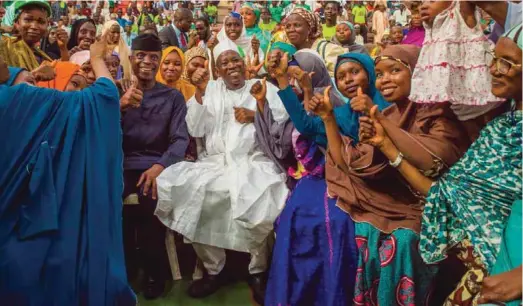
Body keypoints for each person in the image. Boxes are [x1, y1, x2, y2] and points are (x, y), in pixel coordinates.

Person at [362, 25, 522, 305]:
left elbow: (434, 162)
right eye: (493, 59)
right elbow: (444, 192)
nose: (494, 69)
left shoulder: (443, 119)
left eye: (506, 63)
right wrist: (387, 147)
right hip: (488, 266)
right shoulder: (503, 125)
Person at [315, 44, 469, 305]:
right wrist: (328, 118)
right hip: (394, 199)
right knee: (359, 229)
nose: (385, 79)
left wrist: (384, 132)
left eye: (394, 70)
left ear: (417, 73)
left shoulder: (437, 114)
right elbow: (351, 165)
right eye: (381, 73)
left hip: (436, 204)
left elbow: (432, 161)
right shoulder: (389, 113)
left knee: (403, 240)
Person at [0, 36, 136, 306]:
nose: (78, 94)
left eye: (82, 87)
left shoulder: (17, 98)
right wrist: (97, 57)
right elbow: (104, 98)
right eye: (73, 83)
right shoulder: (27, 100)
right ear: (48, 83)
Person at [155, 42, 289, 304]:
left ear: (243, 63)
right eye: (224, 63)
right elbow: (195, 129)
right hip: (214, 162)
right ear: (217, 70)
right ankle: (214, 269)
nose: (231, 66)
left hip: (255, 161)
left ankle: (257, 271)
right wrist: (201, 93)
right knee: (187, 192)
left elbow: (282, 122)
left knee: (259, 198)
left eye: (235, 60)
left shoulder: (262, 87)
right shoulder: (210, 88)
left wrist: (256, 115)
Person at [264, 50, 391, 306]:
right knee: (296, 215)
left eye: (355, 72)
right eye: (342, 76)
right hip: (347, 181)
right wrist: (283, 83)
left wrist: (372, 114)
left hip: (381, 186)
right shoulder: (341, 112)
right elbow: (308, 128)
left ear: (370, 74)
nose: (349, 80)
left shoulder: (389, 106)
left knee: (335, 223)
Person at [121, 33, 189, 300]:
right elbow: (102, 131)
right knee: (110, 202)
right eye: (140, 56)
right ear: (131, 58)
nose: (146, 62)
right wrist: (121, 106)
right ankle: (122, 269)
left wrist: (161, 165)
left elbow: (180, 139)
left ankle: (154, 273)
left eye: (153, 58)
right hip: (122, 163)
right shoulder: (116, 90)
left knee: (151, 203)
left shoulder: (172, 97)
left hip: (156, 165)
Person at [411, 1, 503, 137]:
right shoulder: (433, 24)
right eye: (423, 2)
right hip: (457, 100)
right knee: (474, 138)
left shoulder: (463, 13)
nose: (424, 5)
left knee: (492, 132)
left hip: (478, 93)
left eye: (432, 0)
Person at [284, 8, 345, 77]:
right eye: (288, 26)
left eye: (297, 25)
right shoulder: (287, 53)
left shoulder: (330, 50)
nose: (291, 30)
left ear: (309, 28)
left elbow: (341, 79)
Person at [0, 0, 54, 71]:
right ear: (16, 22)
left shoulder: (43, 56)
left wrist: (63, 49)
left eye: (41, 22)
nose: (34, 26)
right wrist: (3, 27)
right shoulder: (5, 46)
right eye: (28, 20)